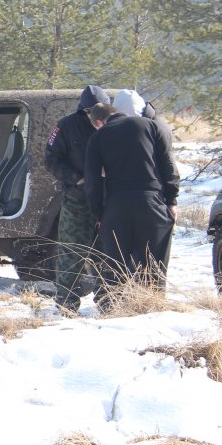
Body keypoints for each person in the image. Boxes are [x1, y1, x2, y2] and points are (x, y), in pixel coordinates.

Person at [84, 103, 180, 305]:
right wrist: (172, 200)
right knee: (154, 265)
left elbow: (92, 182)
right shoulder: (150, 125)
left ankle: (114, 309)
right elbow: (168, 164)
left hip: (116, 205)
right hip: (152, 201)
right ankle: (152, 306)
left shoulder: (98, 137)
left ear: (99, 122)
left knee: (116, 266)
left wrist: (99, 214)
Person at [44, 85, 110, 314]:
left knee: (107, 253)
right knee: (71, 253)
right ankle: (67, 304)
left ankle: (108, 302)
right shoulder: (66, 126)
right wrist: (76, 179)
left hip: (108, 200)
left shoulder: (114, 125)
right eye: (91, 111)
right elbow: (51, 160)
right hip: (78, 200)